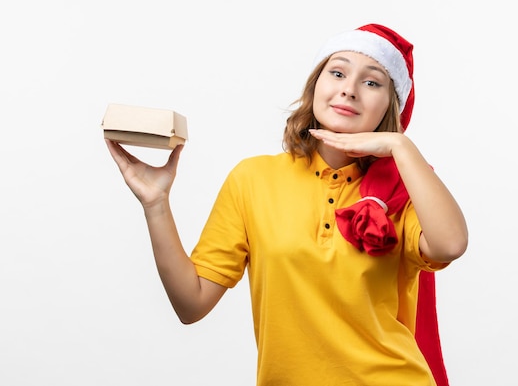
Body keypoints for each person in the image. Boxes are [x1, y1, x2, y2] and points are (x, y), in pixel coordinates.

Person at [105, 23, 468, 386]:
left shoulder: (402, 193)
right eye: (337, 72)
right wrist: (156, 204)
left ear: (391, 107)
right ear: (314, 88)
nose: (349, 89)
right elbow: (191, 303)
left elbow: (450, 245)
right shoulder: (253, 180)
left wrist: (401, 148)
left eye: (372, 82)